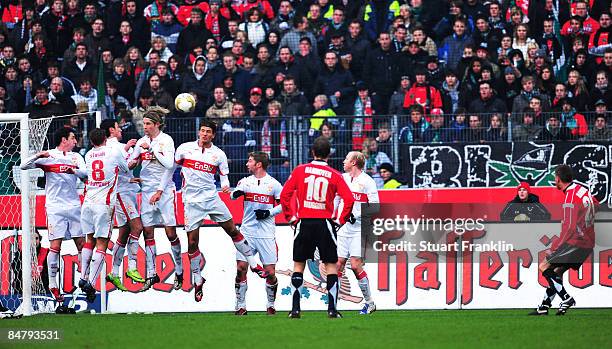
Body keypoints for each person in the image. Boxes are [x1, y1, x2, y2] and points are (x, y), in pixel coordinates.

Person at [175, 120, 269, 302]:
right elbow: (172, 167)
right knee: (192, 242)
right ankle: (197, 278)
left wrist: (226, 187)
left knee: (233, 230)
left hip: (212, 198)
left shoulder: (218, 154)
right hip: (191, 202)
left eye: (208, 132)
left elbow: (224, 177)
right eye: (202, 131)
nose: (204, 134)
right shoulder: (184, 148)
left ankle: (254, 264)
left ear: (213, 135)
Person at [280, 136, 355, 319]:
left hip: (304, 222)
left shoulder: (300, 171)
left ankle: (295, 309)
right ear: (329, 154)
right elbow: (350, 200)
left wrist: (291, 218)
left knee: (299, 265)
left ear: (312, 152)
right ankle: (332, 309)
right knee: (330, 266)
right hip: (325, 223)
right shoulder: (335, 175)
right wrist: (340, 221)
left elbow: (284, 195)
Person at [20, 128, 86, 303]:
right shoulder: (48, 157)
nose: (75, 141)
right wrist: (37, 156)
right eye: (73, 138)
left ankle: (85, 279)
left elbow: (86, 176)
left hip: (73, 205)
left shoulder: (77, 157)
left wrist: (74, 171)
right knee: (55, 245)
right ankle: (54, 285)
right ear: (64, 139)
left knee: (81, 243)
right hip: (55, 207)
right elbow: (23, 166)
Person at [128, 107, 183, 291]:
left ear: (157, 124)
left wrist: (159, 191)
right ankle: (152, 273)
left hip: (165, 191)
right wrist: (130, 162)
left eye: (148, 124)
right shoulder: (142, 142)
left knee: (170, 233)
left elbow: (170, 165)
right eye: (143, 123)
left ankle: (179, 270)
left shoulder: (166, 141)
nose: (145, 127)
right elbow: (133, 161)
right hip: (146, 191)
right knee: (148, 233)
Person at [529, 165, 596, 316]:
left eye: (554, 178)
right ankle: (544, 307)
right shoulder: (582, 190)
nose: (554, 180)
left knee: (544, 266)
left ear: (558, 179)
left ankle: (566, 299)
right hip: (588, 242)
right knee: (557, 273)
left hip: (576, 242)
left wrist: (557, 247)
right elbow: (596, 205)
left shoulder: (570, 197)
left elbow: (570, 228)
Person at [78, 128, 129, 303]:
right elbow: (126, 169)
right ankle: (91, 283)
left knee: (89, 240)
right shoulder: (113, 152)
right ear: (106, 139)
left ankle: (83, 277)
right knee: (102, 243)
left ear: (92, 142)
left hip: (87, 202)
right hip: (104, 203)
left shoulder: (88, 155)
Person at [230, 152, 283, 315]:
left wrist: (269, 213)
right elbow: (232, 196)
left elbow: (283, 205)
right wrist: (236, 193)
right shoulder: (245, 182)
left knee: (271, 273)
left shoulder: (274, 184)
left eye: (250, 161)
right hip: (247, 232)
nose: (247, 163)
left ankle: (271, 304)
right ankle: (241, 305)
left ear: (259, 164)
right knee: (241, 268)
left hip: (266, 234)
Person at [99, 120, 145, 290]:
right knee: (137, 227)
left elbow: (123, 168)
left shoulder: (112, 148)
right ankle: (132, 267)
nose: (120, 130)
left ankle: (114, 272)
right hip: (122, 192)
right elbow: (126, 166)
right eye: (118, 127)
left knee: (124, 232)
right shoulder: (115, 147)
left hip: (126, 189)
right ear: (112, 130)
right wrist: (137, 152)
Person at [335, 151, 379, 315]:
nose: (343, 161)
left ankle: (369, 303)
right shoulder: (343, 178)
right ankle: (333, 305)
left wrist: (357, 215)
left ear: (354, 162)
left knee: (354, 266)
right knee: (338, 264)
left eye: (346, 159)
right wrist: (334, 216)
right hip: (343, 227)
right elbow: (337, 199)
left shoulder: (368, 181)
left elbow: (375, 206)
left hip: (360, 228)